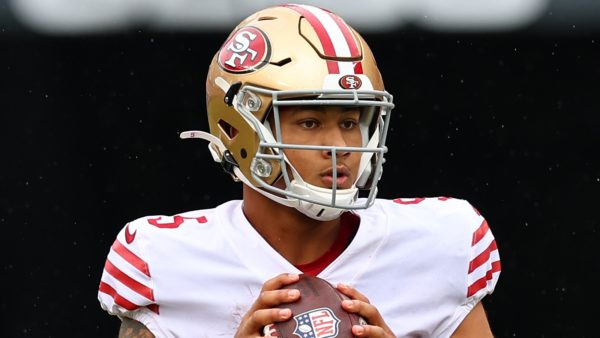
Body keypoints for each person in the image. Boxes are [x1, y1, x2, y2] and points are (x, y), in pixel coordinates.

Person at [97, 4, 501, 338]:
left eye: (349, 122)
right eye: (310, 122)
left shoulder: (439, 241)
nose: (340, 148)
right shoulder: (162, 258)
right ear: (238, 129)